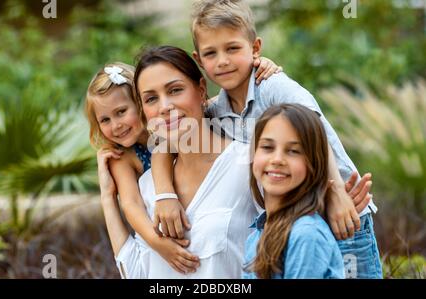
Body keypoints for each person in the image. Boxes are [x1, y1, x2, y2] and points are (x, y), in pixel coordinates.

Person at [187, 0, 382, 278]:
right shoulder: (217, 112)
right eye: (211, 53)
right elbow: (172, 129)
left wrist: (336, 192)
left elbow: (314, 128)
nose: (223, 61)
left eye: (233, 48)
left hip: (344, 211)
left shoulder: (274, 86)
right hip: (291, 223)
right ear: (199, 60)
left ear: (255, 48)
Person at [85, 60, 280, 277]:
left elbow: (221, 99)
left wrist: (258, 67)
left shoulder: (171, 127)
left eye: (121, 112)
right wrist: (159, 244)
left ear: (139, 105)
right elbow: (130, 204)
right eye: (104, 120)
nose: (116, 125)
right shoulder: (122, 157)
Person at [244, 104, 344, 279]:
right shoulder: (256, 235)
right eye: (267, 147)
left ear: (314, 162)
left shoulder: (306, 234)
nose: (277, 159)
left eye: (293, 151)